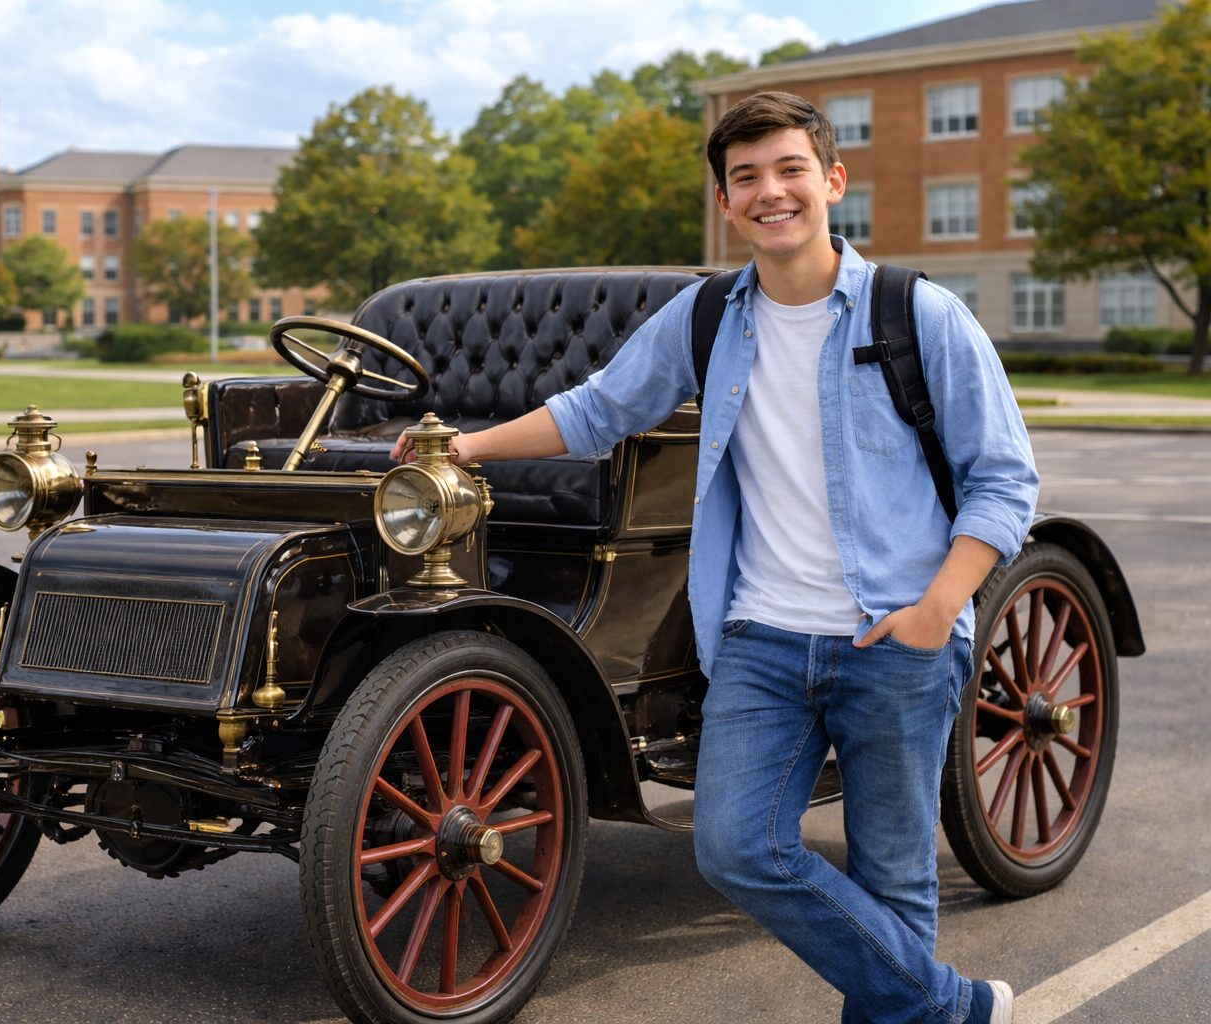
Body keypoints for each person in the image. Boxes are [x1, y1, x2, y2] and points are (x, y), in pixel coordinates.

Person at [392, 91, 1037, 1023]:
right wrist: (463, 450)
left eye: (789, 171)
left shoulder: (917, 314)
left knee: (895, 879)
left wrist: (940, 607)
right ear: (727, 204)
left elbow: (1005, 479)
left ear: (832, 182)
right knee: (734, 848)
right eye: (746, 179)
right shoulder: (707, 319)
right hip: (761, 643)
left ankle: (926, 1009)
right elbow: (596, 410)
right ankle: (955, 1008)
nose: (770, 192)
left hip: (895, 636)